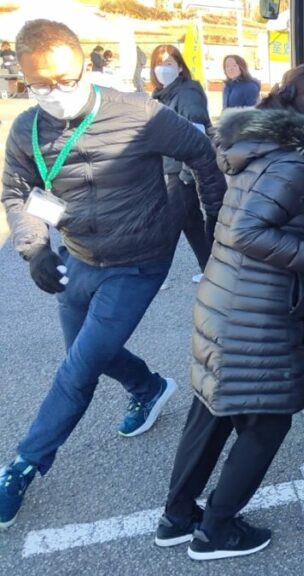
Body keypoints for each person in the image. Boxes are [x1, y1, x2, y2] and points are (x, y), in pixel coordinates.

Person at [0, 19, 226, 529]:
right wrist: (34, 247)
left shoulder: (138, 113)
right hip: (79, 255)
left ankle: (22, 466)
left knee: (77, 370)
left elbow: (200, 152)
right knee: (84, 353)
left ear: (84, 65)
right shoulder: (27, 130)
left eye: (63, 79)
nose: (54, 93)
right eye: (39, 84)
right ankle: (147, 387)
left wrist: (217, 226)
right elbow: (19, 193)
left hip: (140, 259)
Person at [158, 64, 304, 560]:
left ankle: (177, 516)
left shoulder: (261, 148)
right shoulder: (298, 161)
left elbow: (249, 219)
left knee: (213, 409)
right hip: (254, 311)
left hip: (226, 298)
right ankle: (216, 530)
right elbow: (249, 231)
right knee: (269, 421)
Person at [151, 44, 213, 284]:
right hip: (174, 168)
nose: (163, 69)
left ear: (180, 67)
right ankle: (211, 269)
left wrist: (188, 173)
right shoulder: (164, 94)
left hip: (183, 170)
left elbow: (197, 132)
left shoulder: (187, 93)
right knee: (192, 222)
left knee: (168, 223)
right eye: (159, 63)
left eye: (169, 63)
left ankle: (153, 274)